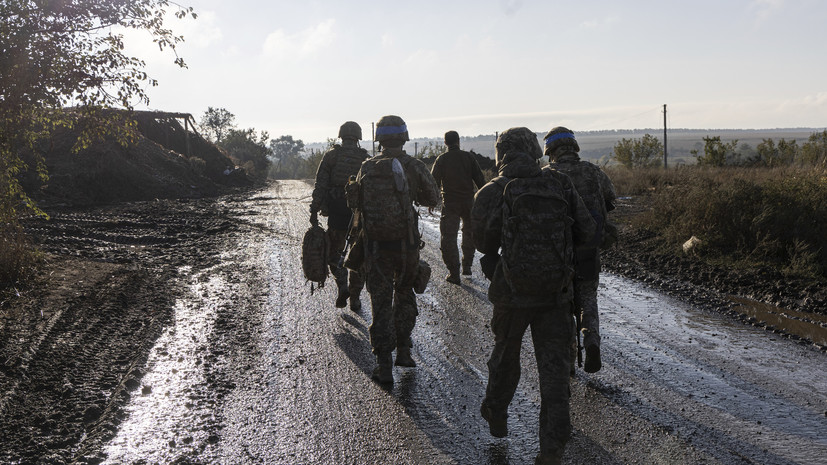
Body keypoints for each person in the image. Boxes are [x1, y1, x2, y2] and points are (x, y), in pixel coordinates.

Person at [471, 127, 595, 465]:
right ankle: (551, 451)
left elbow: (482, 243)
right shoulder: (560, 184)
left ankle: (497, 413)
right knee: (554, 374)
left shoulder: (491, 191)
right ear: (533, 151)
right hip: (555, 294)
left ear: (501, 153)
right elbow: (587, 231)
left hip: (511, 295)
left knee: (506, 356)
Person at [349, 115, 440, 384]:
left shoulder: (366, 167)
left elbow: (356, 205)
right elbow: (433, 197)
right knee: (404, 293)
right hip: (406, 246)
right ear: (404, 137)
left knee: (379, 302)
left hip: (376, 246)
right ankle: (404, 350)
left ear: (379, 139)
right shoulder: (414, 165)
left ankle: (384, 366)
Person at [543, 126, 616, 373]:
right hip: (588, 248)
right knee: (588, 298)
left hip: (557, 253)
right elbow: (610, 199)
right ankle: (591, 339)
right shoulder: (593, 172)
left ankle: (569, 356)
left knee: (563, 303)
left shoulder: (546, 176)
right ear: (574, 147)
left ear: (550, 150)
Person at [309, 121, 369, 312]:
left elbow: (321, 185)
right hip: (359, 213)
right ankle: (355, 298)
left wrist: (314, 210)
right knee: (358, 255)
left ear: (341, 136)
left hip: (336, 211)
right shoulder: (365, 159)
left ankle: (342, 286)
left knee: (335, 252)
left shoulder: (331, 156)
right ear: (358, 137)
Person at [430, 130, 485, 284]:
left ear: (445, 143)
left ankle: (454, 273)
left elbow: (433, 183)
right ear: (458, 141)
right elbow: (480, 181)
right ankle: (467, 266)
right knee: (469, 233)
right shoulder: (469, 157)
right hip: (469, 202)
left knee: (448, 237)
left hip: (450, 204)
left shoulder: (442, 159)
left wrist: (431, 201)